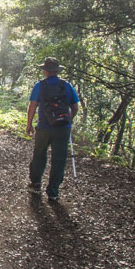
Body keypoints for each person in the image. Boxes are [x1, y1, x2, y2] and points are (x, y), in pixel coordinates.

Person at [25, 57, 80, 202]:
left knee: (39, 154)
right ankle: (53, 192)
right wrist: (68, 119)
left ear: (46, 71)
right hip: (63, 128)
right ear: (56, 71)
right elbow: (75, 107)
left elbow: (32, 105)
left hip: (44, 126)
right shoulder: (66, 86)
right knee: (59, 159)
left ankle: (36, 182)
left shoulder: (40, 85)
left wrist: (29, 124)